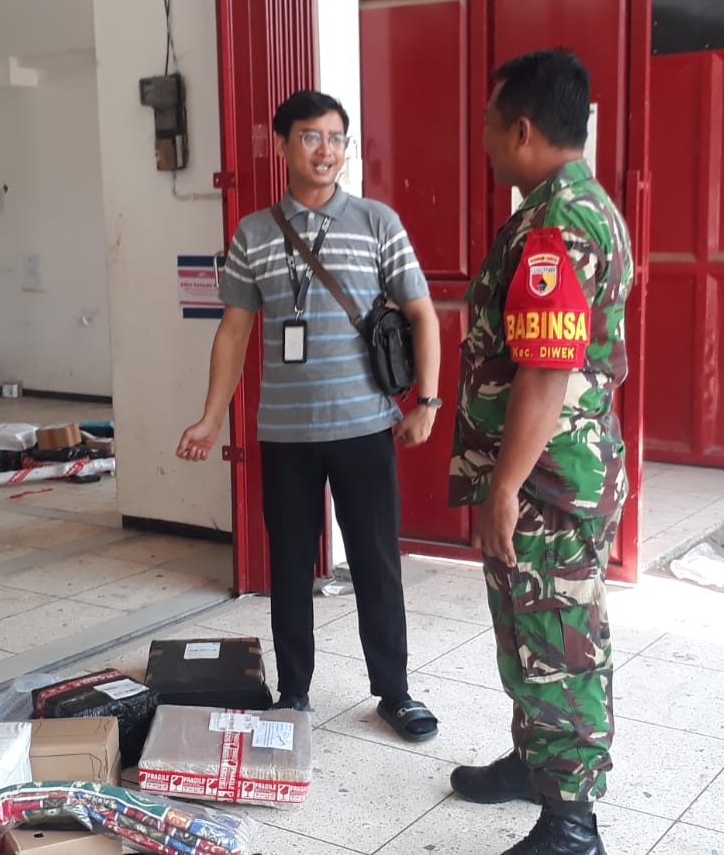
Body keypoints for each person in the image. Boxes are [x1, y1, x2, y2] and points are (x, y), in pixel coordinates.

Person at [176, 90, 442, 743]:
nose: (326, 150)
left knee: (376, 564)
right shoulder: (253, 232)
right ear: (282, 145)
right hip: (286, 434)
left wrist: (428, 401)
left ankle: (395, 693)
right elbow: (234, 331)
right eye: (311, 137)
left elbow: (421, 313)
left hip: (364, 427)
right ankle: (293, 691)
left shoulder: (377, 221)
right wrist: (211, 417)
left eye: (336, 138)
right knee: (290, 568)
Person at [447, 50, 633, 854]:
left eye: (490, 125)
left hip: (547, 484)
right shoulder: (577, 207)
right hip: (550, 474)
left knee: (561, 645)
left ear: (522, 129)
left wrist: (505, 488)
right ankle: (534, 766)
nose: (485, 140)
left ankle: (572, 825)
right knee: (529, 633)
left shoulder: (558, 224)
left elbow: (546, 373)